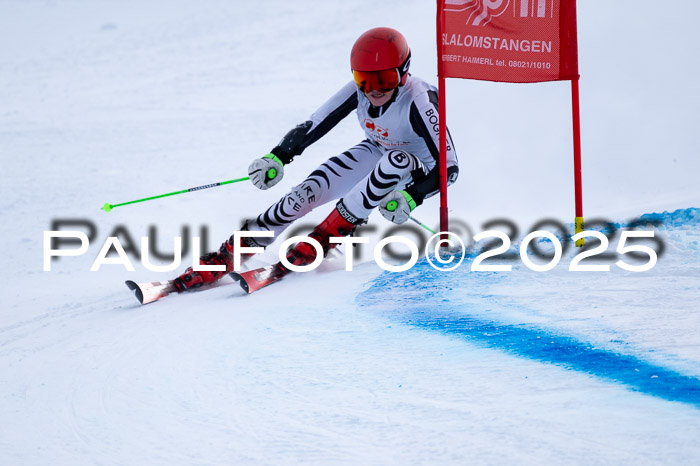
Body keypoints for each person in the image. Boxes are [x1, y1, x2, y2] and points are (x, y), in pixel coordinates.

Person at [172, 26, 459, 292]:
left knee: (395, 161)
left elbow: (449, 167)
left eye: (384, 79)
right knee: (308, 191)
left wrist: (412, 195)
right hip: (376, 150)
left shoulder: (419, 100)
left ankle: (323, 239)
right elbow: (316, 123)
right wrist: (278, 156)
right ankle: (230, 253)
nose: (373, 89)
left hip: (415, 169)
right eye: (364, 79)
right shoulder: (360, 92)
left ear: (404, 72)